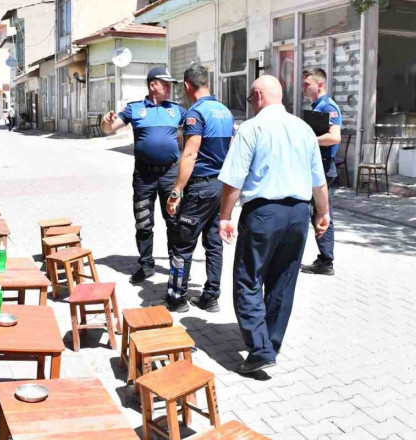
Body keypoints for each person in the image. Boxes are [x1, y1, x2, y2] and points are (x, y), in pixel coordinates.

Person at [217, 75, 330, 374]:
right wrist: (323, 213)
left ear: (257, 96)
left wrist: (225, 216)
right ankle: (272, 343)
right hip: (297, 214)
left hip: (264, 213)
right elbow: (318, 180)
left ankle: (260, 348)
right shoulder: (304, 129)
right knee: (283, 279)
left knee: (248, 278)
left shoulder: (251, 128)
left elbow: (234, 180)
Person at [101, 67, 186, 285]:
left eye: (170, 84)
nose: (169, 88)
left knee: (174, 221)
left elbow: (196, 128)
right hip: (144, 176)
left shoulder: (176, 110)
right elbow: (109, 129)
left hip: (170, 175)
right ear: (152, 85)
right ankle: (146, 265)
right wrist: (105, 120)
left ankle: (176, 265)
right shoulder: (135, 109)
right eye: (164, 84)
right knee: (143, 222)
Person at [165, 63, 234, 313]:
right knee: (213, 243)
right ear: (208, 83)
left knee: (182, 243)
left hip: (200, 187)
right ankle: (211, 297)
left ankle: (177, 297)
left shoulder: (196, 113)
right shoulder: (225, 112)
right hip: (221, 187)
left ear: (186, 86)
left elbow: (190, 154)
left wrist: (176, 191)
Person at [300, 69, 342, 276]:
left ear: (320, 85)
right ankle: (324, 259)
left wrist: (309, 140)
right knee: (316, 212)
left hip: (324, 167)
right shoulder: (317, 106)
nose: (303, 87)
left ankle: (326, 261)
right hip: (316, 165)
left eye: (307, 84)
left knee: (321, 212)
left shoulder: (328, 106)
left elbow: (335, 137)